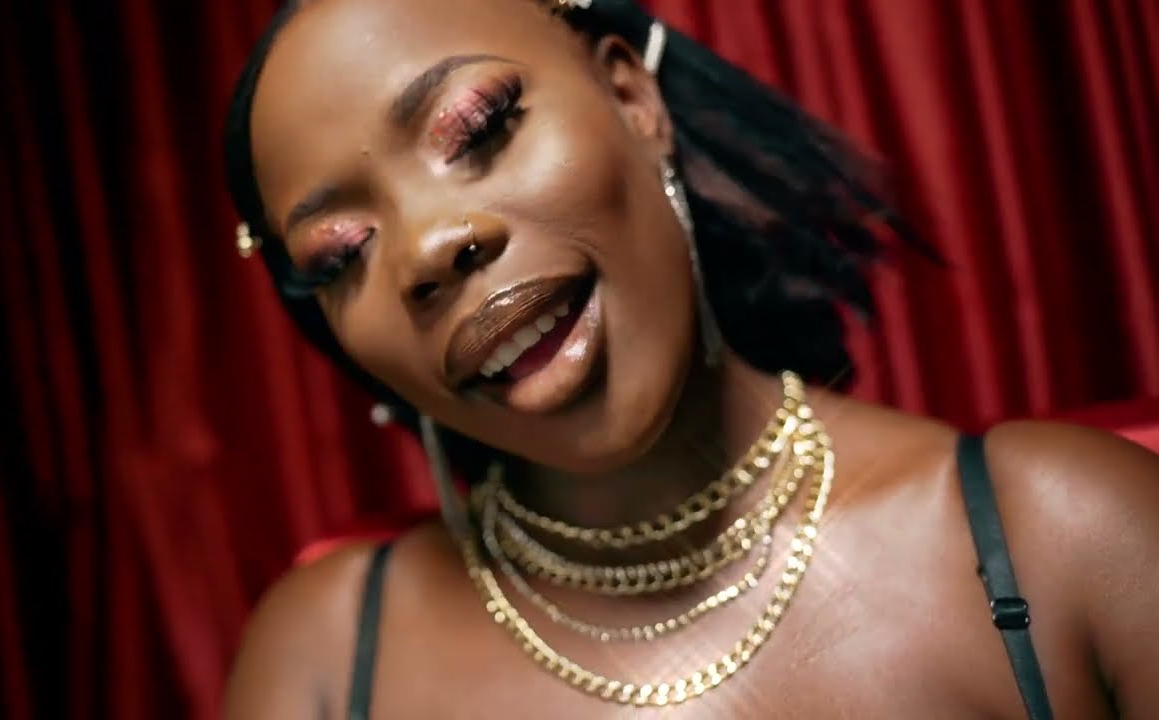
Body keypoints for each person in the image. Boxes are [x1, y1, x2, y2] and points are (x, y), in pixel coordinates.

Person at [220, 0, 1159, 717]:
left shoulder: (1067, 539)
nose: (428, 247)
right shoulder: (324, 659)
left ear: (632, 98)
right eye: (341, 256)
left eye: (479, 128)